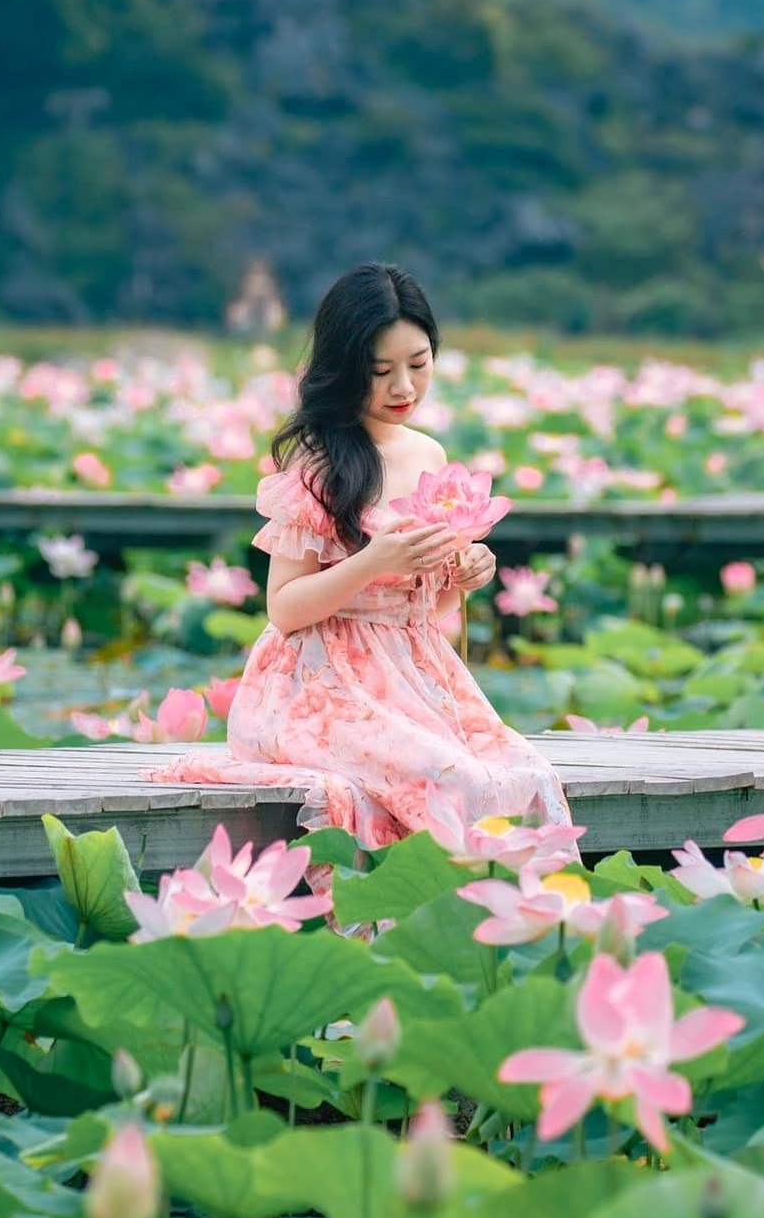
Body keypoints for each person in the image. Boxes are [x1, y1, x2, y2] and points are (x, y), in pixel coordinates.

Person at [145, 262, 580, 854]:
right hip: (318, 683)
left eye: (419, 365)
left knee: (522, 775)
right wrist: (374, 560)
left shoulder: (430, 453)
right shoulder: (319, 464)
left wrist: (464, 572)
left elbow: (428, 607)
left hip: (414, 672)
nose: (403, 388)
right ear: (345, 369)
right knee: (455, 781)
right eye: (381, 372)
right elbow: (286, 608)